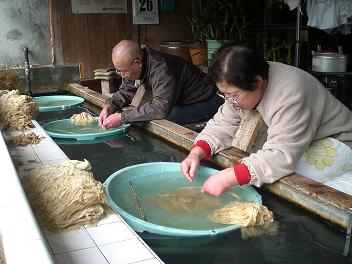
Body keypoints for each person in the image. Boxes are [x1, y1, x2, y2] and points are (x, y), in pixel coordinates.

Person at [181, 43, 352, 197]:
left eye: (233, 95)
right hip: (303, 140)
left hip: (339, 140)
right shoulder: (242, 84)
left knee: (283, 189)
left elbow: (280, 156)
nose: (230, 101)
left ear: (257, 81)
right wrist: (196, 152)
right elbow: (223, 123)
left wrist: (226, 177)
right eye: (225, 95)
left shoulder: (291, 93)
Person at [98, 40, 223, 128]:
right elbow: (126, 91)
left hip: (208, 100)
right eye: (117, 70)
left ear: (137, 63)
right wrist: (110, 106)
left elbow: (160, 109)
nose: (120, 74)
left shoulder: (162, 69)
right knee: (142, 116)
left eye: (123, 71)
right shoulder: (135, 64)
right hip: (182, 101)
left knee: (164, 118)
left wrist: (122, 117)